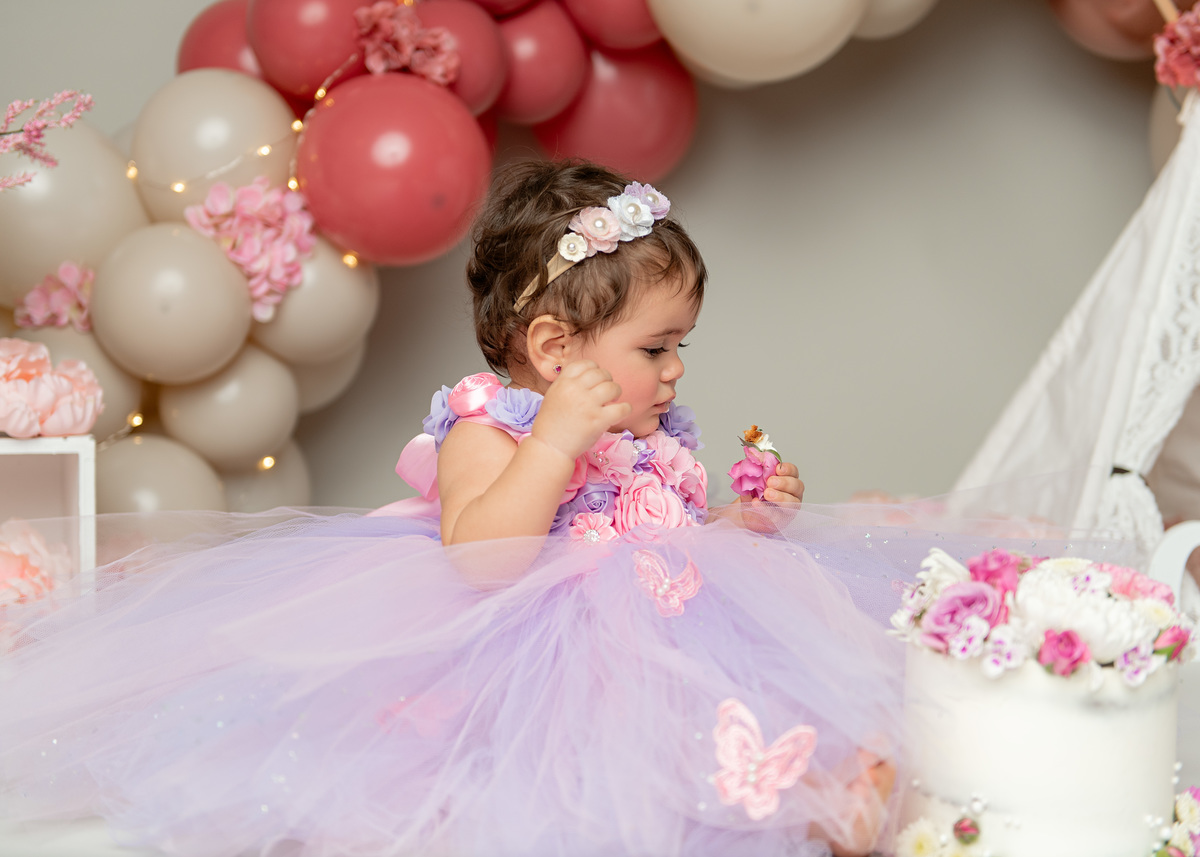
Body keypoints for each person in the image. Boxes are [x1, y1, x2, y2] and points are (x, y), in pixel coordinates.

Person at [0, 160, 903, 857]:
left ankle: (813, 798)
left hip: (661, 630)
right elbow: (484, 555)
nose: (674, 371)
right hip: (532, 649)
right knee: (564, 773)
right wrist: (553, 444)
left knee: (734, 706)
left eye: (681, 347)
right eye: (656, 347)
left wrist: (743, 524)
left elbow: (663, 535)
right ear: (553, 348)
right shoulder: (491, 426)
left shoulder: (648, 432)